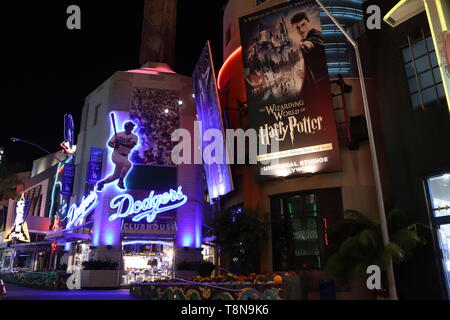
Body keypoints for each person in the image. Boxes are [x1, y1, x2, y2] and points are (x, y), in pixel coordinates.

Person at [97, 121, 138, 191]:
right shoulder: (118, 134)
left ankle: (101, 183)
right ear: (127, 127)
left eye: (132, 126)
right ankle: (121, 181)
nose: (132, 128)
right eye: (131, 126)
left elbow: (131, 145)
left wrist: (121, 143)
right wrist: (115, 145)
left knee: (115, 176)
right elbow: (109, 143)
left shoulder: (134, 136)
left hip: (125, 156)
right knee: (129, 164)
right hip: (116, 155)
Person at [290, 11, 328, 85]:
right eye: (298, 28)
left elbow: (315, 41)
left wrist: (307, 44)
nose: (301, 30)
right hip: (317, 81)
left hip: (323, 81)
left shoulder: (316, 35)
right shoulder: (307, 38)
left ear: (308, 22)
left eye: (303, 25)